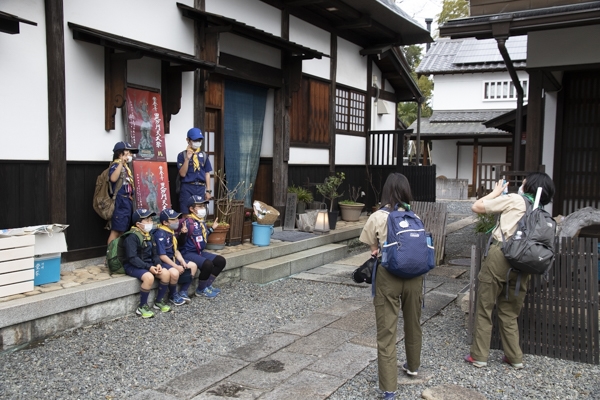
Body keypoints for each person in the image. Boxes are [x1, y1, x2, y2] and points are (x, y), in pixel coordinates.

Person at [465, 172, 555, 369]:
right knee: (510, 311)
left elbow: (477, 206)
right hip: (524, 263)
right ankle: (515, 357)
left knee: (485, 306)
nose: (521, 184)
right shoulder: (540, 212)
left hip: (501, 255)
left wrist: (496, 192)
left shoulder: (516, 200)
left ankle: (479, 356)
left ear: (529, 185)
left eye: (524, 182)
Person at [359, 173, 423, 400]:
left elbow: (372, 247)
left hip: (388, 275)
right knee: (413, 321)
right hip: (415, 276)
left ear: (386, 191)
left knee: (387, 330)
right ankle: (413, 365)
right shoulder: (414, 215)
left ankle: (389, 388)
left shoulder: (378, 216)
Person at [123, 208, 173, 318]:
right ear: (138, 224)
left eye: (150, 219)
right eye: (147, 220)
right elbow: (132, 258)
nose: (150, 222)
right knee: (149, 277)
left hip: (148, 264)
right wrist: (148, 267)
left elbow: (155, 253)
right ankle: (142, 307)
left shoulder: (150, 235)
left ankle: (158, 301)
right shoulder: (132, 236)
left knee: (166, 274)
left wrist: (158, 263)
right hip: (133, 265)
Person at [179, 195, 226, 299]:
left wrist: (212, 229)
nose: (203, 208)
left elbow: (202, 237)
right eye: (199, 206)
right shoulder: (187, 222)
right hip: (188, 253)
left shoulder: (201, 221)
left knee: (220, 261)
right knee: (207, 264)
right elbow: (180, 243)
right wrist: (182, 234)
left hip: (199, 252)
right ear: (191, 209)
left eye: (203, 206)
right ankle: (201, 289)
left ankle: (207, 285)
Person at [153, 209, 198, 306]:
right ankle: (173, 294)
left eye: (177, 218)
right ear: (165, 222)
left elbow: (176, 250)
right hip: (164, 261)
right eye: (173, 219)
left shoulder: (171, 231)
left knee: (193, 266)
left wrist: (182, 261)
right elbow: (162, 255)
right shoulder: (160, 234)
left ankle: (183, 291)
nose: (177, 221)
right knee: (174, 272)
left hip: (173, 258)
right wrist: (176, 266)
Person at [107, 142, 138, 244]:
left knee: (122, 230)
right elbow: (113, 178)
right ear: (120, 154)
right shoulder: (116, 165)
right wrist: (121, 163)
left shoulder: (126, 167)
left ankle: (118, 255)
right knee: (116, 231)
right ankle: (109, 256)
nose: (130, 155)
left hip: (127, 201)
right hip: (120, 201)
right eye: (128, 153)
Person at [177, 128, 213, 213]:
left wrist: (208, 191)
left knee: (200, 213)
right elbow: (182, 174)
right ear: (188, 140)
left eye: (199, 140)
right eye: (195, 140)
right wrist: (187, 159)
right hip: (187, 187)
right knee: (186, 213)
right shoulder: (182, 155)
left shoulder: (204, 155)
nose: (198, 142)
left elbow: (207, 173)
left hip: (200, 188)